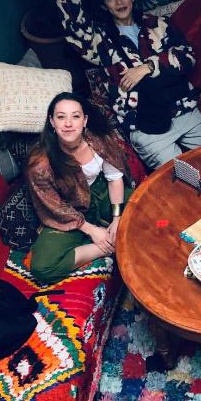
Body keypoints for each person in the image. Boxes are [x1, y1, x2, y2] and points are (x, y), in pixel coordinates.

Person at [51, 0, 201, 169]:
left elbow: (187, 56)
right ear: (103, 5)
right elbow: (74, 29)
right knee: (184, 180)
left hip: (184, 110)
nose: (118, 2)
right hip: (145, 125)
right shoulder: (100, 40)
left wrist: (147, 68)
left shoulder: (158, 24)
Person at [25, 92, 132, 285]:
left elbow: (114, 179)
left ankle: (115, 232)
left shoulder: (100, 140)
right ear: (52, 122)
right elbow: (54, 206)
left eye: (75, 116)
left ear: (84, 120)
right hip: (67, 211)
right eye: (61, 117)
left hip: (102, 195)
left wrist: (117, 219)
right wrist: (95, 234)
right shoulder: (39, 163)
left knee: (145, 211)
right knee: (42, 267)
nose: (68, 124)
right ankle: (108, 246)